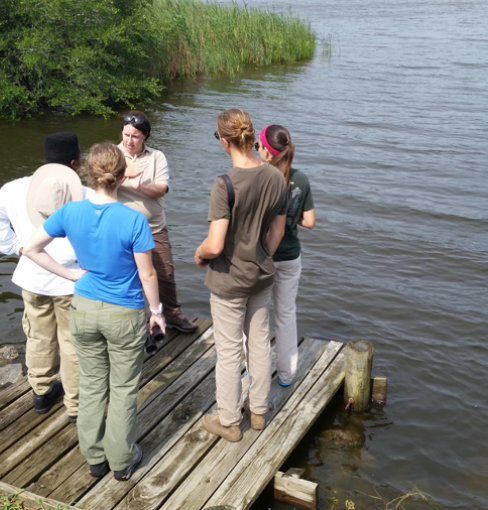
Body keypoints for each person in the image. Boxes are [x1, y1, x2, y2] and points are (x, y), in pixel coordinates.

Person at [23, 143, 165, 482]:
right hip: (125, 314)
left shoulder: (70, 213)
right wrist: (157, 312)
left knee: (91, 385)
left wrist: (70, 274)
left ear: (87, 173)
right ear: (121, 176)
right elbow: (147, 274)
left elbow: (29, 248)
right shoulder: (134, 219)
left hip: (83, 309)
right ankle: (121, 460)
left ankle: (94, 458)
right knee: (123, 388)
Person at [195, 109, 288, 441]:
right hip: (262, 274)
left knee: (230, 350)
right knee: (260, 343)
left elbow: (216, 244)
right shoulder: (277, 177)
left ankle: (231, 422)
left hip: (228, 281)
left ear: (224, 141)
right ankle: (259, 412)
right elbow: (276, 232)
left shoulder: (225, 184)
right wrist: (261, 256)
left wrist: (199, 253)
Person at [0, 132, 91, 421]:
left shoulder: (12, 189)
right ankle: (75, 406)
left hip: (32, 277)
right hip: (72, 280)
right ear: (75, 162)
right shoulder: (86, 195)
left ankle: (41, 393)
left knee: (38, 336)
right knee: (72, 342)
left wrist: (18, 248)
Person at [117, 111, 197, 333]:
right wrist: (125, 174)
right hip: (119, 230)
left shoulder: (156, 157)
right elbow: (100, 186)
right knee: (125, 276)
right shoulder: (112, 155)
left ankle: (172, 315)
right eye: (126, 134)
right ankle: (131, 322)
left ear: (145, 136)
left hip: (153, 228)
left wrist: (139, 187)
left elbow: (161, 188)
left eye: (135, 136)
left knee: (166, 274)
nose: (129, 140)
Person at [256, 125, 315, 386]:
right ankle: (287, 375)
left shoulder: (258, 177)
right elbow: (310, 221)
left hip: (262, 256)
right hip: (290, 257)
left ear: (268, 153)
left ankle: (253, 375)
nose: (256, 150)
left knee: (257, 316)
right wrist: (292, 217)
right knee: (286, 314)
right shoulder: (300, 178)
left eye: (258, 146)